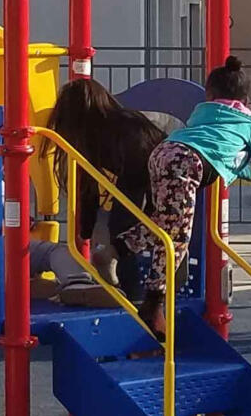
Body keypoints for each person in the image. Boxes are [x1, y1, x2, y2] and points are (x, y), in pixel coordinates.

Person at [121, 57, 251, 323]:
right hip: (186, 163)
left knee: (164, 220)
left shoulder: (202, 113)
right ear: (246, 100)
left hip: (164, 153)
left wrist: (245, 172)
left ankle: (117, 248)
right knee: (177, 234)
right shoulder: (250, 124)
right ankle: (154, 301)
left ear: (210, 93)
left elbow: (220, 153)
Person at [46, 76, 163, 292]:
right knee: (121, 224)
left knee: (124, 225)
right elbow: (88, 183)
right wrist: (86, 228)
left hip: (159, 176)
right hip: (145, 176)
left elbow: (136, 176)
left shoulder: (123, 128)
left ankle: (131, 290)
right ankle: (120, 284)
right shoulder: (102, 131)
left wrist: (133, 218)